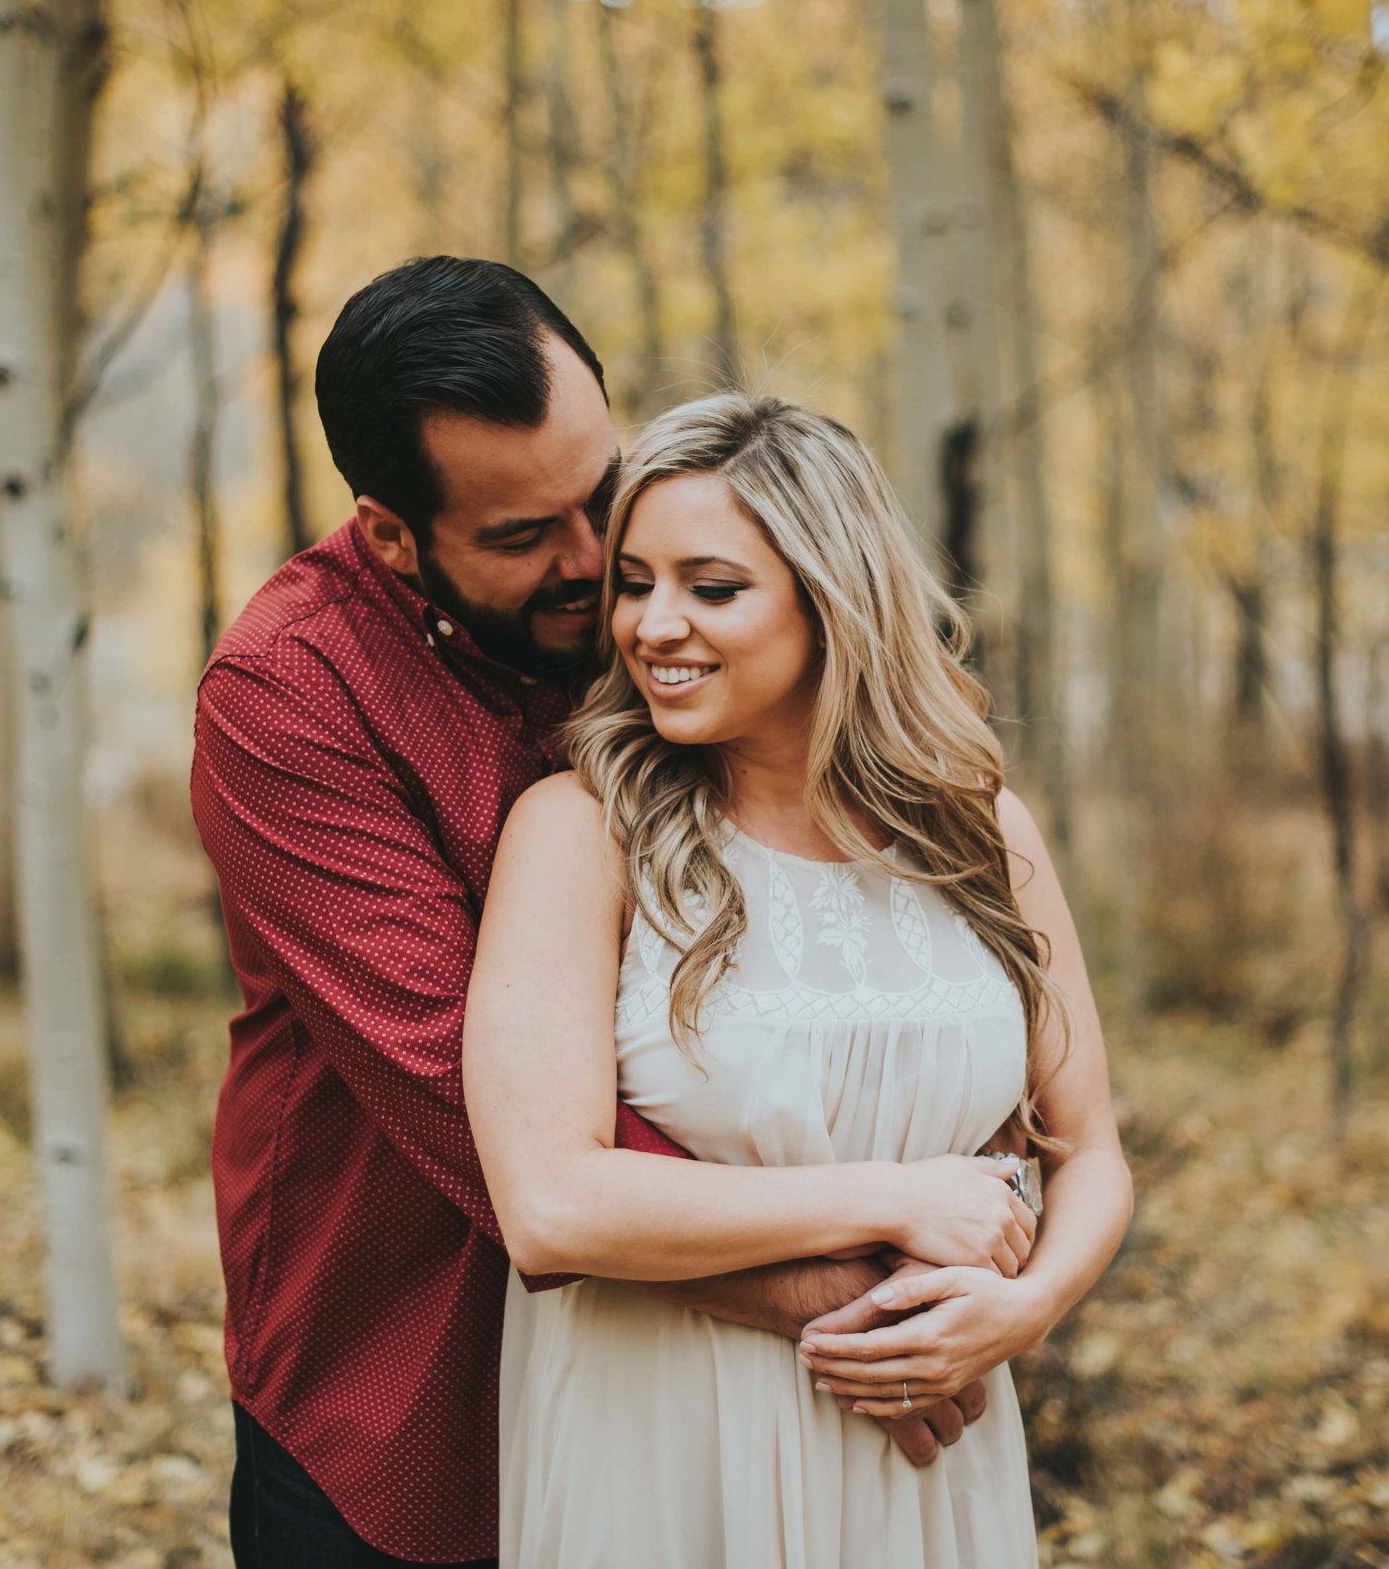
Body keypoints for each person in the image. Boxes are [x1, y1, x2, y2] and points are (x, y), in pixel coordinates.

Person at [191, 259, 1002, 1569]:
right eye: (521, 538)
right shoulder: (290, 695)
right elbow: (471, 1110)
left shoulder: (663, 597)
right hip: (397, 1377)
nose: (593, 565)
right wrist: (845, 1297)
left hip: (697, 1398)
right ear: (393, 533)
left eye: (599, 494)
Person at [464, 394, 1135, 1567]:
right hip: (660, 1436)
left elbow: (1091, 1151)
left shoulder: (981, 829)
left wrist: (1022, 1310)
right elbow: (551, 1203)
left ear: (833, 600)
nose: (651, 626)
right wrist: (894, 1198)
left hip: (926, 1439)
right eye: (634, 582)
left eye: (711, 587)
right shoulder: (580, 830)